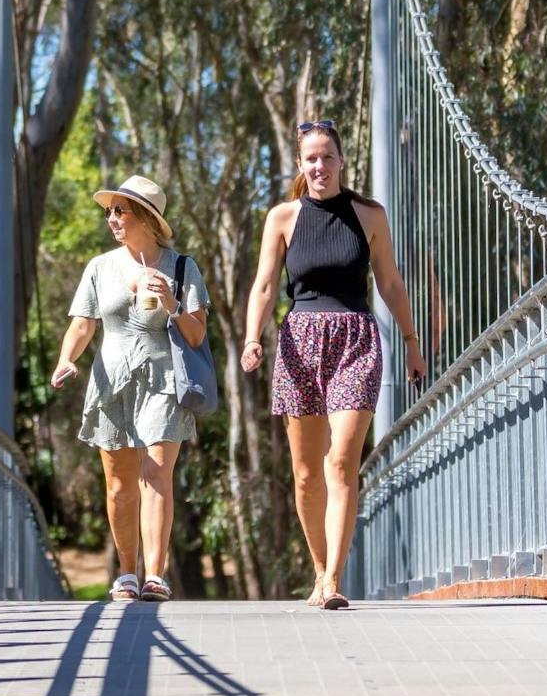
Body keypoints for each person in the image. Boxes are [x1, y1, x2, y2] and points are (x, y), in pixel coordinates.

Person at [240, 120, 426, 610]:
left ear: (341, 161)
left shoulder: (368, 216)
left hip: (356, 341)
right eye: (310, 159)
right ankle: (319, 568)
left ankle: (333, 581)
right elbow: (263, 286)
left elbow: (389, 283)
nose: (319, 166)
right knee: (305, 474)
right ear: (300, 166)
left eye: (326, 156)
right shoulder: (282, 217)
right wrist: (251, 338)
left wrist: (410, 340)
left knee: (341, 461)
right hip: (299, 343)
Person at [50, 175, 209, 602]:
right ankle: (127, 573)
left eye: (121, 210)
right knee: (119, 485)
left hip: (162, 381)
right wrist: (67, 359)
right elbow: (82, 325)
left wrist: (173, 305)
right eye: (110, 212)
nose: (112, 218)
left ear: (147, 218)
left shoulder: (181, 267)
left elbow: (196, 336)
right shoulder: (100, 268)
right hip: (111, 382)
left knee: (156, 472)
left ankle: (155, 574)